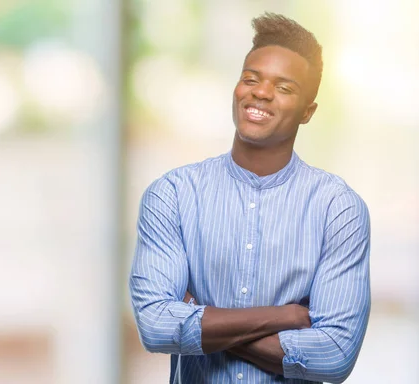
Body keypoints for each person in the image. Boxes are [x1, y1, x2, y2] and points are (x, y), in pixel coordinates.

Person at [129, 12, 370, 384]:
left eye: (284, 87)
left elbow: (335, 355)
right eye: (250, 79)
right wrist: (286, 317)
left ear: (308, 112)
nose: (260, 92)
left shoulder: (338, 210)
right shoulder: (173, 195)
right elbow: (156, 326)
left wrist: (201, 318)